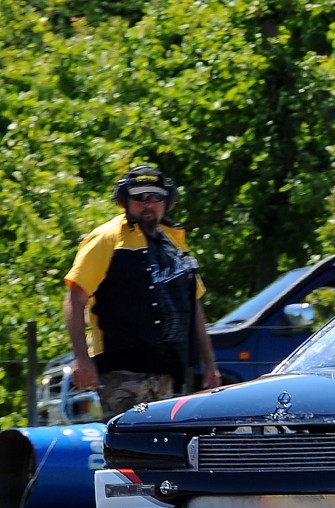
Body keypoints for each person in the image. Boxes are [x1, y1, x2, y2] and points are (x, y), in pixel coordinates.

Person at [63, 165, 221, 418]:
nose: (148, 203)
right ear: (125, 200)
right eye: (139, 197)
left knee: (163, 453)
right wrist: (81, 358)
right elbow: (75, 296)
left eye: (155, 197)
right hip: (122, 370)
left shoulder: (175, 241)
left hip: (168, 371)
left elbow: (195, 304)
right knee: (130, 449)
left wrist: (210, 363)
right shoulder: (106, 239)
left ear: (166, 201)